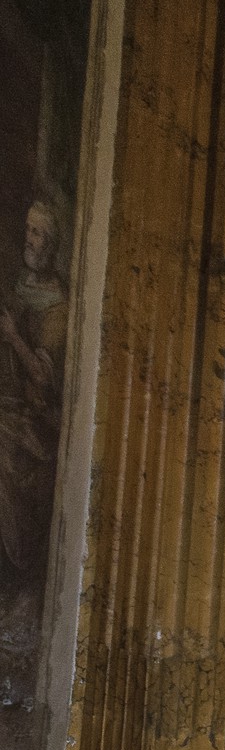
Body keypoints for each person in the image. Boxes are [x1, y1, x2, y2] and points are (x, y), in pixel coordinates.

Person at [0, 201, 69, 596]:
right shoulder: (19, 285)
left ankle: (10, 572)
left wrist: (12, 336)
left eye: (37, 233)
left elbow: (43, 378)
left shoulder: (58, 305)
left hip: (37, 418)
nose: (29, 239)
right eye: (27, 229)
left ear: (52, 244)